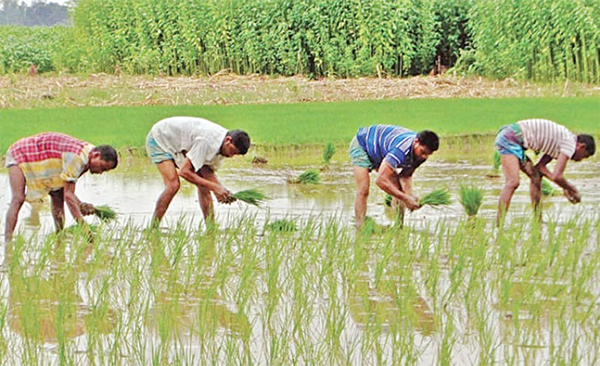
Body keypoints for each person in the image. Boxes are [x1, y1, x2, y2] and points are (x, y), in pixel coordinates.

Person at [4, 132, 118, 242]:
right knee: (18, 198)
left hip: (47, 158)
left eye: (105, 171)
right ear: (96, 155)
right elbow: (69, 196)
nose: (100, 172)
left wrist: (81, 204)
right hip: (21, 152)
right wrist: (85, 229)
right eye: (102, 167)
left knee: (57, 195)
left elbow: (66, 190)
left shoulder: (89, 156)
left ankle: (60, 237)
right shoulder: (77, 158)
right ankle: (7, 241)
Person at [146, 116, 250, 226]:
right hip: (160, 139)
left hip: (180, 145)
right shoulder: (206, 141)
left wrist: (221, 191)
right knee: (173, 185)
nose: (230, 156)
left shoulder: (222, 148)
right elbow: (184, 172)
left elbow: (207, 172)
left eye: (235, 154)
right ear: (228, 140)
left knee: (204, 185)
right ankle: (153, 227)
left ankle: (211, 228)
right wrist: (215, 187)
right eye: (232, 151)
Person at [495, 118, 595, 223]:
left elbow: (540, 168)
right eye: (584, 156)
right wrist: (572, 189)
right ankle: (499, 224)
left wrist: (564, 188)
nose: (580, 160)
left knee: (535, 177)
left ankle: (537, 220)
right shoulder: (569, 144)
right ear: (581, 147)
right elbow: (557, 176)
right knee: (513, 182)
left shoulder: (561, 142)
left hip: (514, 138)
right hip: (510, 138)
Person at [349, 125, 439, 227]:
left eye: (428, 154)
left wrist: (410, 195)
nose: (424, 156)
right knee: (363, 189)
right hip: (363, 144)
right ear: (416, 142)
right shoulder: (400, 150)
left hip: (381, 151)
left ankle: (398, 227)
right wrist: (405, 198)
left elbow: (405, 176)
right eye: (422, 152)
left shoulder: (421, 156)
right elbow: (380, 181)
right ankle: (360, 227)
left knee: (398, 190)